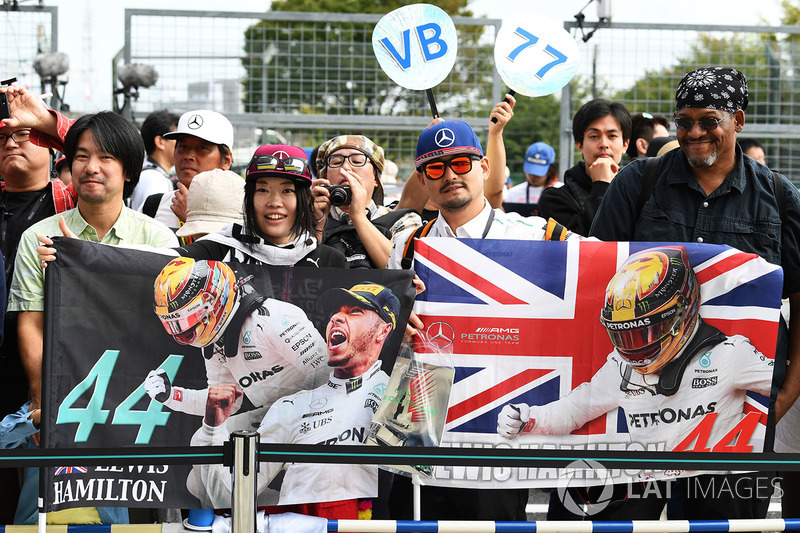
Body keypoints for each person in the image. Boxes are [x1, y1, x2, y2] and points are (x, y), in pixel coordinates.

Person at [590, 66, 800, 519]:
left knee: (724, 530)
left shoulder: (779, 197)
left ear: (738, 121)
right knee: (624, 529)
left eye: (709, 121)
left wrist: (783, 396)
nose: (694, 132)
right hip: (640, 425)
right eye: (684, 122)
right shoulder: (637, 183)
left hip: (737, 419)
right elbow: (595, 279)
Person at [386, 119, 582, 522]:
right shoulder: (408, 244)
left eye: (461, 162)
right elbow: (386, 323)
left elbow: (604, 271)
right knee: (410, 522)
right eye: (436, 168)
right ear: (423, 180)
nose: (451, 175)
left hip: (497, 418)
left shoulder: (537, 237)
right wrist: (394, 322)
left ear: (485, 168)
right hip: (421, 417)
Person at [498, 246, 774, 519]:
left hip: (713, 475)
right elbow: (574, 409)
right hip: (646, 472)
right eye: (626, 335)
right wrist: (529, 418)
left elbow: (781, 388)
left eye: (646, 332)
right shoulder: (621, 366)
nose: (634, 348)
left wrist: (764, 428)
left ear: (681, 311)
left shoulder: (730, 354)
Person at [186, 282, 398, 520]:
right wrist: (213, 430)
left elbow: (421, 471)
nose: (337, 317)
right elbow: (229, 498)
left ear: (383, 330)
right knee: (194, 480)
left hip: (363, 522)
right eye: (334, 312)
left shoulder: (399, 395)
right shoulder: (290, 406)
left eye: (353, 312)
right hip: (296, 527)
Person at [316, 135, 421, 269]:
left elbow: (402, 269)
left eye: (357, 161)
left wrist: (359, 217)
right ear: (325, 176)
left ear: (376, 178)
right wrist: (316, 224)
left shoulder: (402, 221)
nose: (345, 168)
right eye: (336, 163)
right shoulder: (307, 218)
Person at [538, 98, 631, 236]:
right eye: (594, 136)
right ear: (580, 145)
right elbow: (583, 246)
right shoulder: (555, 199)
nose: (604, 144)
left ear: (625, 144)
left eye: (612, 136)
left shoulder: (636, 192)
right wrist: (601, 186)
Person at [139, 109, 234, 241]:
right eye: (182, 147)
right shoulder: (154, 206)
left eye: (202, 148)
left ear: (226, 161)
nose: (188, 156)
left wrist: (192, 220)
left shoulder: (243, 211)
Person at [130, 109, 179, 210]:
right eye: (177, 139)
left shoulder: (148, 174)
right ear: (160, 142)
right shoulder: (156, 179)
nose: (182, 146)